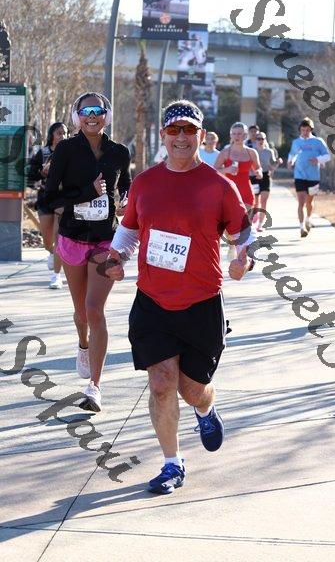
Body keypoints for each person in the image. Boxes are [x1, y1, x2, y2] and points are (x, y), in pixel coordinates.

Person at [105, 99, 256, 495]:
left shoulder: (218, 185)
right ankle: (172, 463)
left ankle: (205, 408)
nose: (182, 137)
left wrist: (244, 260)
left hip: (201, 302)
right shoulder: (145, 183)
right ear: (163, 136)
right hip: (153, 300)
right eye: (174, 130)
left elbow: (244, 235)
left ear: (201, 135)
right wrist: (117, 257)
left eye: (189, 130)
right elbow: (130, 230)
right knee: (161, 382)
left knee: (191, 390)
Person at [43, 92, 131, 412]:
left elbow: (126, 185)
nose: (92, 116)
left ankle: (94, 387)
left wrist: (126, 200)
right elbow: (51, 198)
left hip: (104, 240)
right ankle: (83, 343)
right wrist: (86, 193)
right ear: (77, 116)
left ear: (107, 114)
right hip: (72, 238)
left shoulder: (119, 152)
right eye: (86, 111)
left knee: (95, 309)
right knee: (81, 314)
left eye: (98, 110)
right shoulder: (66, 150)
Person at [28, 122, 68, 289]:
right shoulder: (43, 153)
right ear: (52, 135)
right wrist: (41, 172)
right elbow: (30, 177)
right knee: (47, 240)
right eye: (59, 133)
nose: (63, 136)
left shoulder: (70, 152)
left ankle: (56, 276)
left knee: (58, 237)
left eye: (65, 133)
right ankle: (51, 253)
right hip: (45, 198)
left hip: (62, 198)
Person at [214, 122, 262, 258]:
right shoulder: (225, 152)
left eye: (240, 134)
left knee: (243, 222)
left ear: (245, 135)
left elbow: (258, 168)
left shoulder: (251, 152)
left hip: (246, 191)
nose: (237, 136)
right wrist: (227, 169)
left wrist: (259, 173)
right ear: (231, 135)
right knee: (229, 222)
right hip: (228, 192)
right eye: (234, 134)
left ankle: (242, 251)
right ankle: (232, 245)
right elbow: (214, 170)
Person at [288, 117, 330, 237]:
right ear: (300, 130)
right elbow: (293, 154)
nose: (305, 132)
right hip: (299, 175)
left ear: (311, 130)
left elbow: (327, 156)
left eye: (307, 130)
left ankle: (308, 219)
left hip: (313, 176)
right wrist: (290, 161)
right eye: (303, 130)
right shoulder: (296, 142)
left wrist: (318, 159)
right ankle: (302, 228)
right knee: (301, 202)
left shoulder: (318, 141)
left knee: (309, 202)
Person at [251, 131, 277, 231]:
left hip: (265, 176)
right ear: (255, 140)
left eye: (263, 139)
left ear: (265, 140)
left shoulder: (269, 152)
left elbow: (273, 165)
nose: (261, 140)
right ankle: (254, 218)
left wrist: (277, 163)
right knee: (255, 201)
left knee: (264, 201)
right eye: (258, 139)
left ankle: (260, 224)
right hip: (254, 177)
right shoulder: (252, 151)